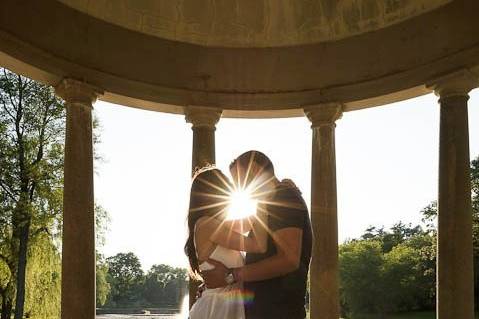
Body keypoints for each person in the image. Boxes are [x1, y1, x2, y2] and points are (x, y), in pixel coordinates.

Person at [202, 151, 313, 319]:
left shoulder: (284, 198)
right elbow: (227, 228)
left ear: (254, 170)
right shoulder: (269, 205)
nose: (237, 188)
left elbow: (288, 260)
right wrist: (211, 290)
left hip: (279, 312)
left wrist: (229, 276)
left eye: (238, 181)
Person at [185, 166, 269, 319]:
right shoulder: (207, 225)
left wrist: (274, 195)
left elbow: (251, 222)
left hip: (224, 306)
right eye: (226, 189)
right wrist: (264, 197)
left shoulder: (214, 225)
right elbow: (258, 245)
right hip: (216, 309)